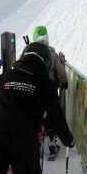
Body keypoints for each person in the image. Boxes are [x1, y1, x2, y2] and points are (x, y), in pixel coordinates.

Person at [28, 25, 69, 159]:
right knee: (51, 117)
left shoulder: (28, 53)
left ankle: (36, 143)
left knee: (36, 116)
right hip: (50, 90)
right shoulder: (52, 54)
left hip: (33, 91)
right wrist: (64, 82)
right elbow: (61, 72)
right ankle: (52, 144)